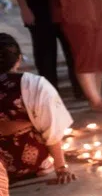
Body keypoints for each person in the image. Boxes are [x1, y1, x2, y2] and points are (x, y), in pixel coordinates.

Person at [0, 33, 74, 182]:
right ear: (19, 59)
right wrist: (60, 167)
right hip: (31, 164)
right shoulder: (35, 85)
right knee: (43, 120)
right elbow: (52, 128)